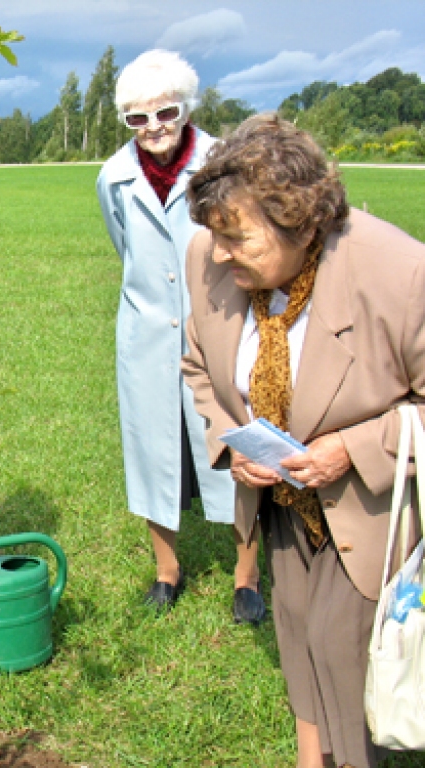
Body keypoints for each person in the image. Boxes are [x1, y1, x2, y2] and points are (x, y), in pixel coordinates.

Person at [182, 113, 425, 768]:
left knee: (343, 653)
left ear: (304, 223)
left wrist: (352, 449)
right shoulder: (210, 255)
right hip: (281, 504)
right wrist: (232, 444)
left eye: (239, 239)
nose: (220, 253)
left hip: (368, 508)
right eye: (214, 235)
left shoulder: (401, 276)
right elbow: (199, 365)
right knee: (297, 635)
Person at [95, 50, 263, 621]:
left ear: (186, 108)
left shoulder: (224, 165)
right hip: (145, 335)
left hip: (219, 327)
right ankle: (167, 570)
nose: (153, 129)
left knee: (237, 443)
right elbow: (128, 249)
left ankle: (247, 574)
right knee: (150, 449)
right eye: (137, 119)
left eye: (164, 113)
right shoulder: (113, 178)